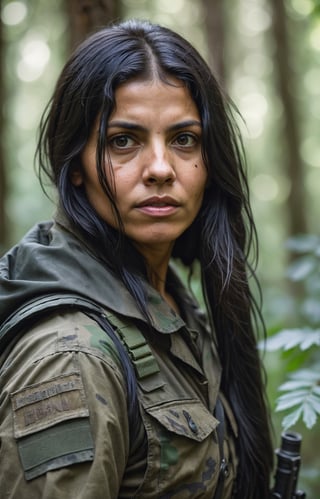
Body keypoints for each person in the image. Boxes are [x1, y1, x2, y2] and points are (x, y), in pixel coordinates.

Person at [0, 19, 273, 498]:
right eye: (123, 140)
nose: (161, 169)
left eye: (184, 139)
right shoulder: (70, 356)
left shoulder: (170, 305)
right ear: (76, 164)